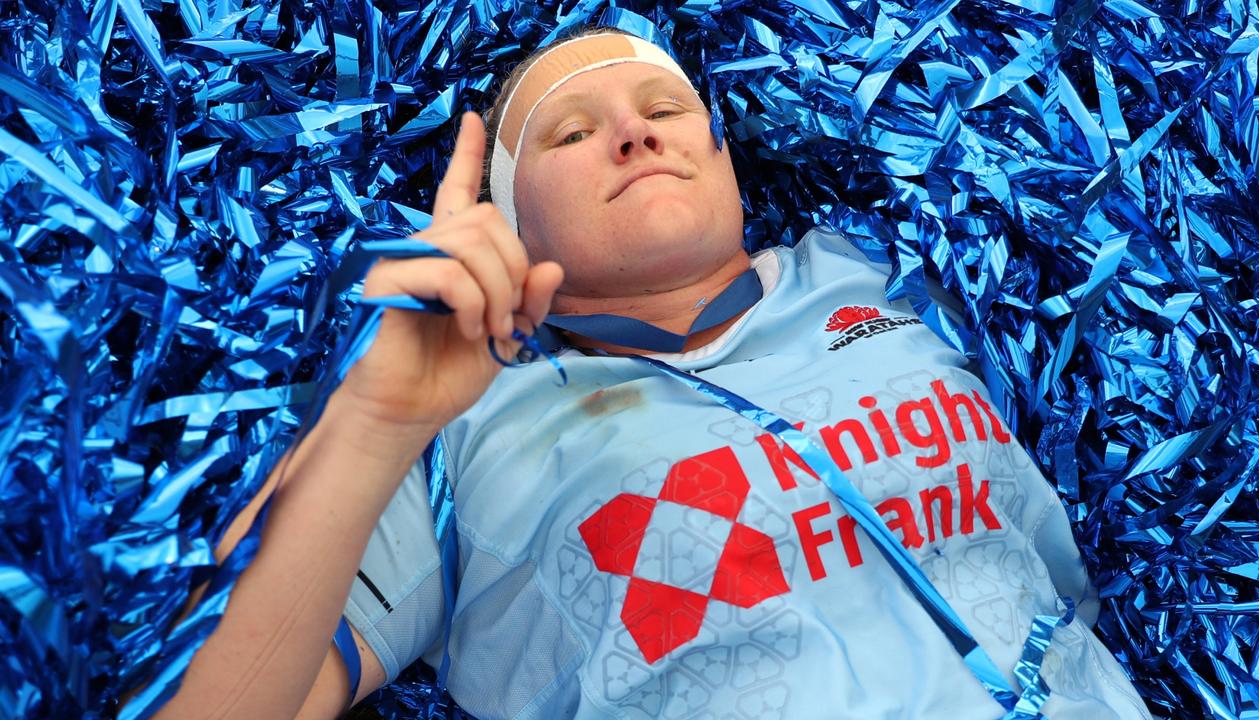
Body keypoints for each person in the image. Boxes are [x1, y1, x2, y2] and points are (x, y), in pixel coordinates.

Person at [155, 28, 1153, 720]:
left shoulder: (891, 271)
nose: (633, 132)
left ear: (725, 160)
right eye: (572, 133)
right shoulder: (450, 427)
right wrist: (372, 420)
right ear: (503, 220)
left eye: (662, 106)